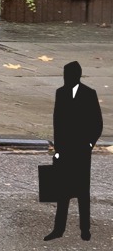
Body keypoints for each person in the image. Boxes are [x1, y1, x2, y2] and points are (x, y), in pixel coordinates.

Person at [51, 60, 102, 241]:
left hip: (81, 150)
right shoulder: (61, 93)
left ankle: (85, 230)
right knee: (62, 192)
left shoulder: (89, 94)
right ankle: (58, 229)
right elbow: (57, 122)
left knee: (82, 192)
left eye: (69, 75)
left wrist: (89, 144)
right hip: (65, 150)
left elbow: (97, 123)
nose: (66, 78)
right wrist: (57, 149)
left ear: (76, 76)